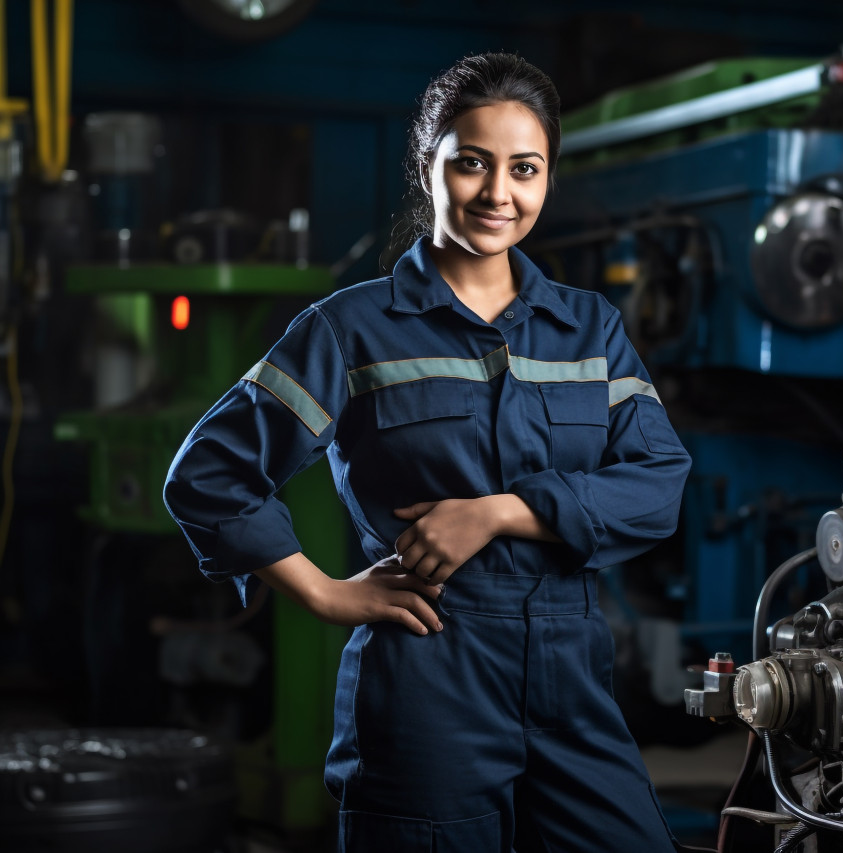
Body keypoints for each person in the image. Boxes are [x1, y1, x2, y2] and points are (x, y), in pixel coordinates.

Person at [164, 52, 692, 852]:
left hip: (572, 671)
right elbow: (208, 473)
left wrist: (500, 511)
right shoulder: (353, 327)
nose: (498, 193)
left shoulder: (591, 330)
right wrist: (324, 593)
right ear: (428, 164)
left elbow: (659, 483)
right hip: (428, 672)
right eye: (472, 163)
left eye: (526, 168)